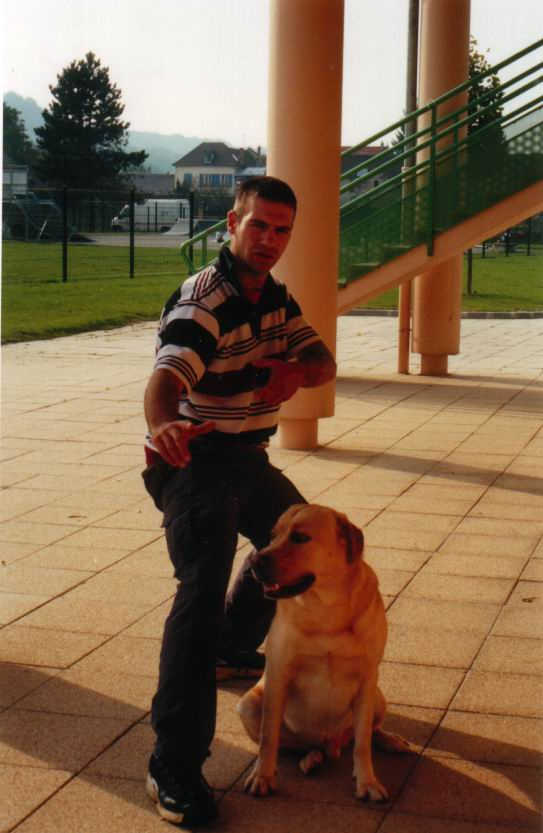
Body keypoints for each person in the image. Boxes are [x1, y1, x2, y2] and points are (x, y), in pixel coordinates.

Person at [142, 176, 336, 827]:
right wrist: (164, 423)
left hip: (248, 460)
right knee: (199, 587)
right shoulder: (205, 300)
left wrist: (296, 372)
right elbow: (166, 377)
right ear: (232, 223)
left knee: (303, 553)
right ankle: (172, 761)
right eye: (259, 226)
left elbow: (322, 359)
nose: (270, 240)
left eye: (282, 230)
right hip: (192, 462)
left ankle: (231, 645)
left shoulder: (274, 297)